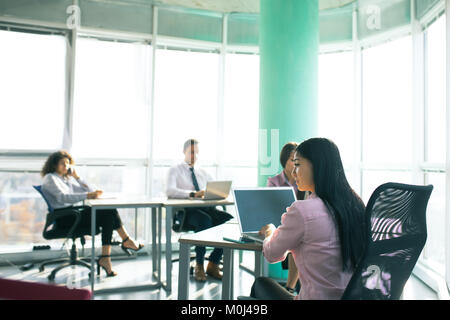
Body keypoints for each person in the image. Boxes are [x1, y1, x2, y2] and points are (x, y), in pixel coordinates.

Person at [250, 138, 366, 300]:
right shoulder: (355, 205)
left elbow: (272, 254)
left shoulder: (303, 211)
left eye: (297, 164)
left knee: (260, 284)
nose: (293, 172)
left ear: (317, 166)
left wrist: (270, 233)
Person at [41, 151, 144, 277]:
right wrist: (88, 195)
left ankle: (107, 257)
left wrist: (77, 177)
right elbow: (63, 198)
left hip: (72, 214)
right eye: (62, 163)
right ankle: (124, 242)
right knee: (108, 212)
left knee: (108, 213)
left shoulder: (65, 179)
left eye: (68, 164)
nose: (66, 166)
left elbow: (89, 190)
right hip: (65, 217)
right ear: (54, 164)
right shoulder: (50, 178)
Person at [166, 139, 233, 282]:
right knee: (205, 221)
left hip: (207, 208)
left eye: (196, 152)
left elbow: (214, 187)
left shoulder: (203, 172)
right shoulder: (175, 170)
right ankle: (199, 264)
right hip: (187, 212)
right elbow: (170, 190)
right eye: (191, 152)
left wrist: (217, 194)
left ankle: (213, 263)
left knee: (228, 220)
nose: (194, 155)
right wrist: (192, 194)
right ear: (184, 152)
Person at [267, 142, 308, 294]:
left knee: (299, 243)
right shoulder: (274, 182)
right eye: (293, 160)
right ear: (284, 161)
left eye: (298, 162)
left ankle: (291, 288)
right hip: (282, 223)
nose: (295, 165)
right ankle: (292, 288)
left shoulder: (306, 183)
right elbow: (270, 207)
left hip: (299, 226)